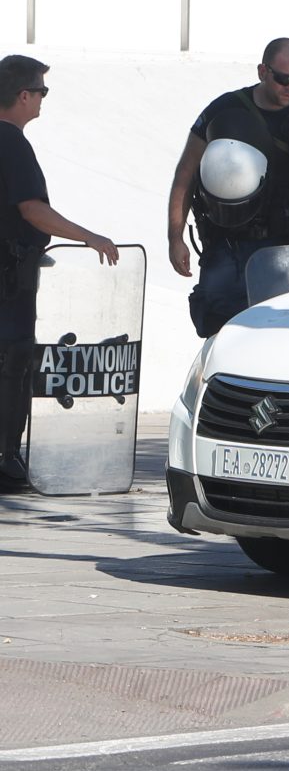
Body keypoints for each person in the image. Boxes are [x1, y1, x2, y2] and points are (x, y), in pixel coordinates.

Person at [168, 38, 289, 338]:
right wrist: (175, 237)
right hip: (229, 249)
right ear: (263, 71)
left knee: (288, 335)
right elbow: (186, 174)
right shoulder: (225, 110)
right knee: (218, 327)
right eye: (283, 79)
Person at [0, 56, 120, 491]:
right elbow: (32, 209)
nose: (43, 100)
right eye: (41, 91)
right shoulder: (11, 142)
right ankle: (6, 460)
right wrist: (91, 237)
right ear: (24, 95)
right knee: (12, 362)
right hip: (9, 279)